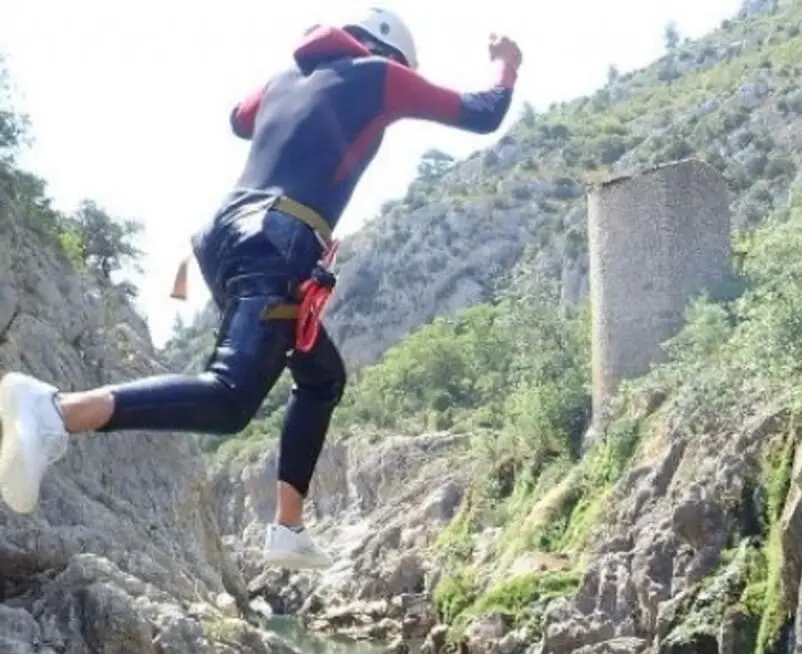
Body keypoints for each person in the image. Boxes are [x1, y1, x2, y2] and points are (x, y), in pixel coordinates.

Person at [0, 8, 524, 571]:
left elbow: (239, 117)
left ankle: (287, 529)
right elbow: (483, 112)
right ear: (390, 53)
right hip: (278, 240)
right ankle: (54, 409)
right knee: (230, 398)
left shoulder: (283, 80)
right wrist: (505, 64)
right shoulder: (379, 75)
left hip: (226, 239)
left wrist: (300, 82)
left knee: (322, 376)